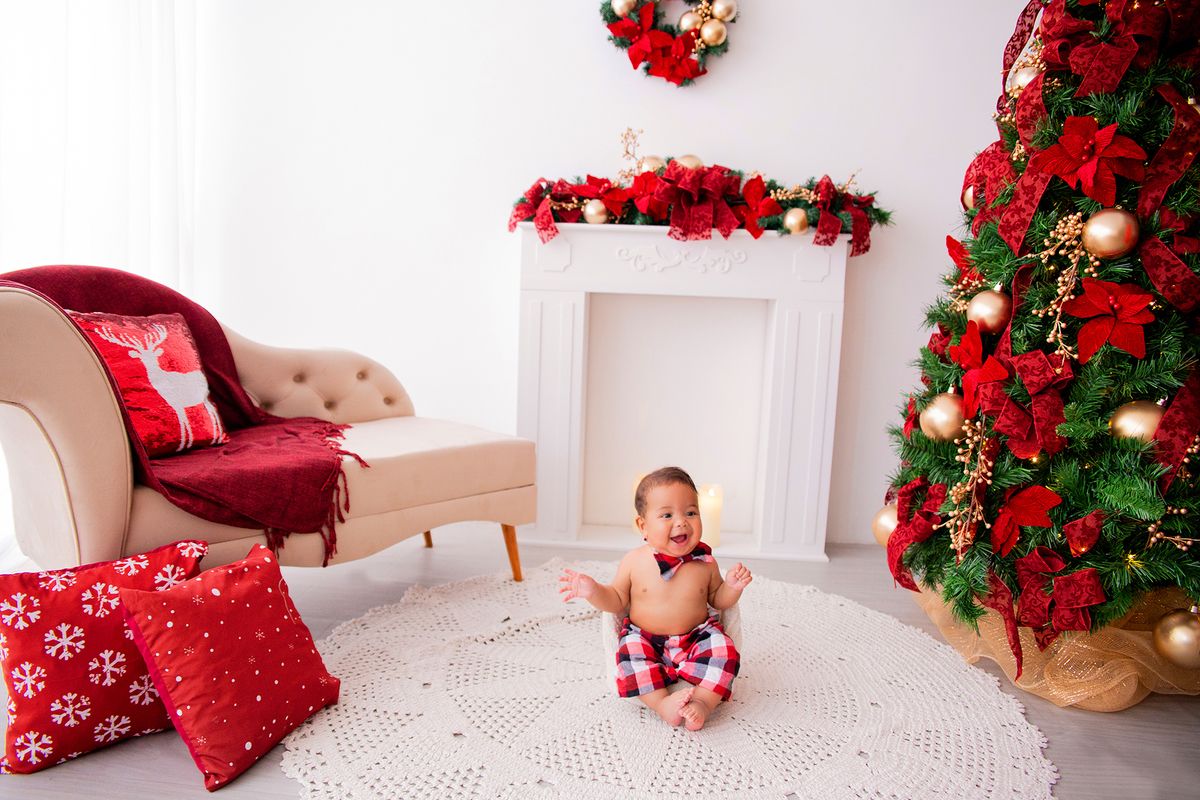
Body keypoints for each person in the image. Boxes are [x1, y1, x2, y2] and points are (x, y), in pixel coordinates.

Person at [558, 466, 752, 730]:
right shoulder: (634, 561)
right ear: (643, 526)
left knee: (723, 650)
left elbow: (719, 600)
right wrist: (593, 591)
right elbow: (616, 600)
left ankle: (702, 703)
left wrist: (732, 587)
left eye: (691, 512)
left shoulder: (705, 562)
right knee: (629, 657)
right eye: (667, 515)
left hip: (696, 638)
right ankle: (662, 704)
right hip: (646, 640)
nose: (681, 522)